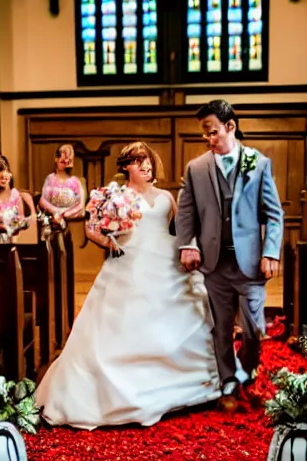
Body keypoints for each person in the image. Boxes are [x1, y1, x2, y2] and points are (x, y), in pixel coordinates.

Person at [36, 142, 220, 429]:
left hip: (165, 264)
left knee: (177, 320)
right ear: (126, 167)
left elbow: (180, 230)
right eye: (137, 161)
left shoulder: (166, 198)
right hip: (128, 261)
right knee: (121, 324)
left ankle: (188, 384)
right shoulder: (114, 196)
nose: (145, 165)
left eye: (147, 160)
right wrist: (108, 242)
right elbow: (91, 228)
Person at [176, 99, 284, 404]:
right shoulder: (196, 168)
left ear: (230, 127)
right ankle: (227, 380)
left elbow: (275, 213)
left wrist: (271, 252)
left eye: (213, 132)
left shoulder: (258, 163)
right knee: (221, 327)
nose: (209, 139)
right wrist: (187, 245)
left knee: (253, 329)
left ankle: (247, 370)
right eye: (204, 135)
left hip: (250, 263)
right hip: (214, 263)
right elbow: (186, 213)